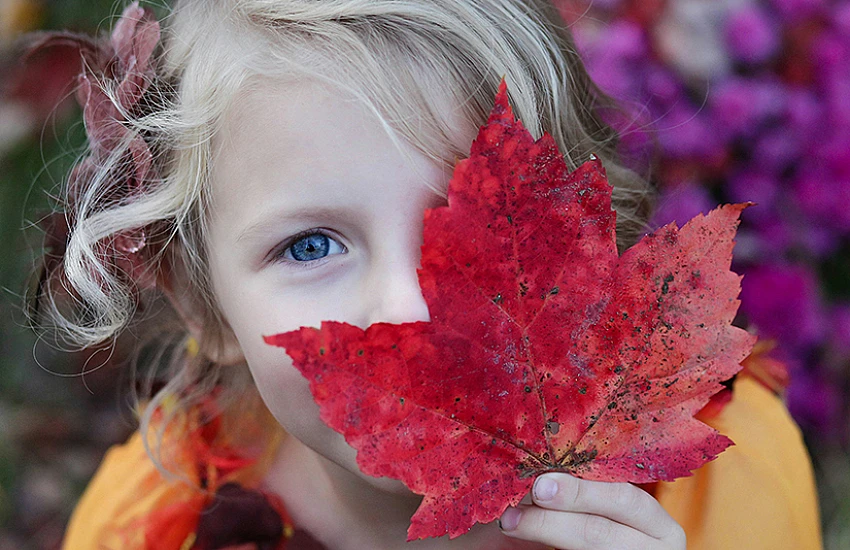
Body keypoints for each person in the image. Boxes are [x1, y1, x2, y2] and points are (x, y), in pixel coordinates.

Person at [28, 1, 821, 548]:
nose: (412, 307)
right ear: (201, 303)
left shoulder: (725, 483)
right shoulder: (147, 527)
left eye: (474, 224)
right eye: (310, 247)